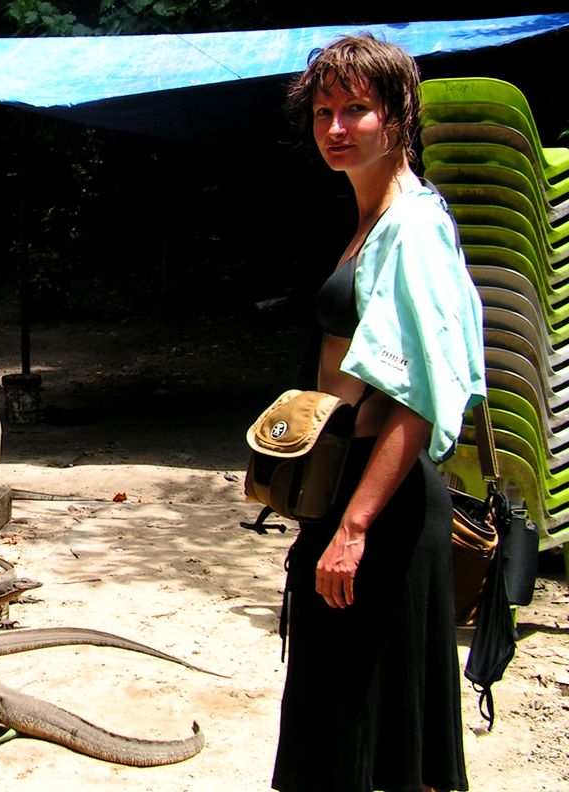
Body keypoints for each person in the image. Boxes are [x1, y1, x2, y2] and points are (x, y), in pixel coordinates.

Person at [271, 34, 485, 792]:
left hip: (385, 510)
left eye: (356, 109)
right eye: (326, 110)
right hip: (345, 490)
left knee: (379, 734)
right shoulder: (371, 221)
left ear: (398, 118)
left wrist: (355, 527)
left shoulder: (414, 228)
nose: (336, 127)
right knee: (343, 726)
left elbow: (416, 402)